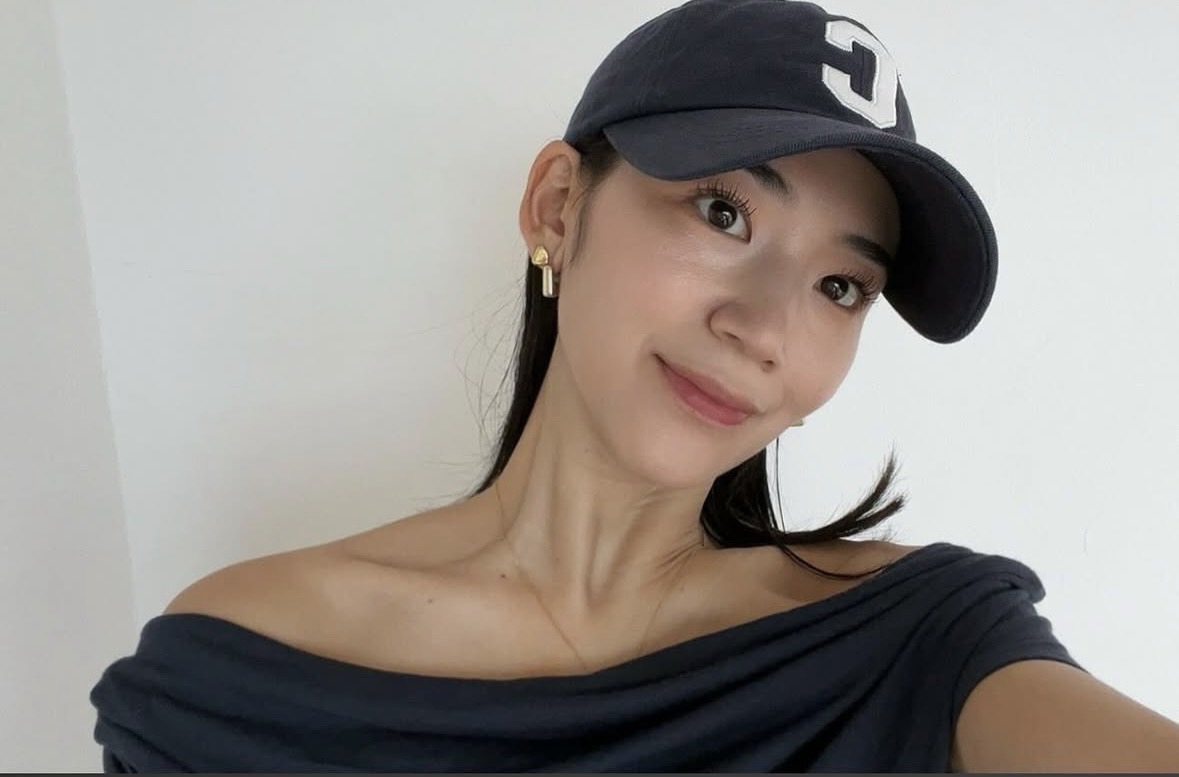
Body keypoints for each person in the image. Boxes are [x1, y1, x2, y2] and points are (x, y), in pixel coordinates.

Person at [89, 0, 1179, 772]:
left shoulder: (922, 643)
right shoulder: (234, 678)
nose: (763, 329)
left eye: (840, 285)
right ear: (558, 207)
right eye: (723, 213)